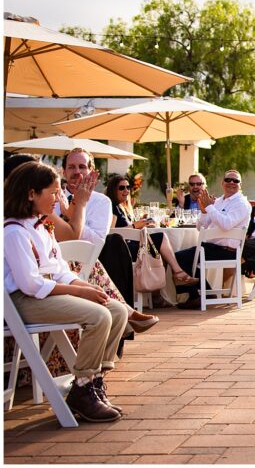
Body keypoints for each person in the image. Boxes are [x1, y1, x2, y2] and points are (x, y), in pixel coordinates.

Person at [4, 161, 129, 422]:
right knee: (98, 316)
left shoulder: (42, 228)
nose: (58, 198)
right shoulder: (13, 231)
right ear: (31, 194)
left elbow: (61, 270)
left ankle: (93, 382)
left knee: (116, 310)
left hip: (47, 293)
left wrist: (86, 286)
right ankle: (82, 389)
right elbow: (31, 284)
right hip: (24, 301)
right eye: (53, 192)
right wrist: (80, 294)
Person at [59, 151, 158, 333]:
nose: (76, 172)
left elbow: (96, 242)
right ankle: (126, 313)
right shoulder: (53, 198)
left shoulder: (101, 202)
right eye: (71, 167)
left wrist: (74, 213)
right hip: (59, 262)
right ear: (63, 171)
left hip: (85, 261)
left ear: (91, 171)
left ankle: (122, 316)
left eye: (82, 167)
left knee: (111, 246)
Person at [173, 170, 250, 309]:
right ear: (222, 183)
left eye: (236, 181)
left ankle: (199, 295)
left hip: (228, 251)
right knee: (179, 258)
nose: (231, 182)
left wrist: (209, 207)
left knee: (181, 258)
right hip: (211, 247)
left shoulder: (242, 204)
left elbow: (226, 224)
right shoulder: (219, 201)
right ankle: (203, 294)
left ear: (240, 185)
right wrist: (203, 211)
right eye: (228, 180)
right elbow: (200, 226)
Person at [105, 174, 198, 288]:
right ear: (113, 190)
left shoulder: (121, 207)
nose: (126, 190)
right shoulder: (112, 207)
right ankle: (178, 273)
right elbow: (110, 232)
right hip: (124, 250)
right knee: (161, 238)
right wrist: (135, 225)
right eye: (121, 188)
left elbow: (127, 226)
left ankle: (157, 296)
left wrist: (141, 222)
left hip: (132, 246)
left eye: (128, 187)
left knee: (160, 252)